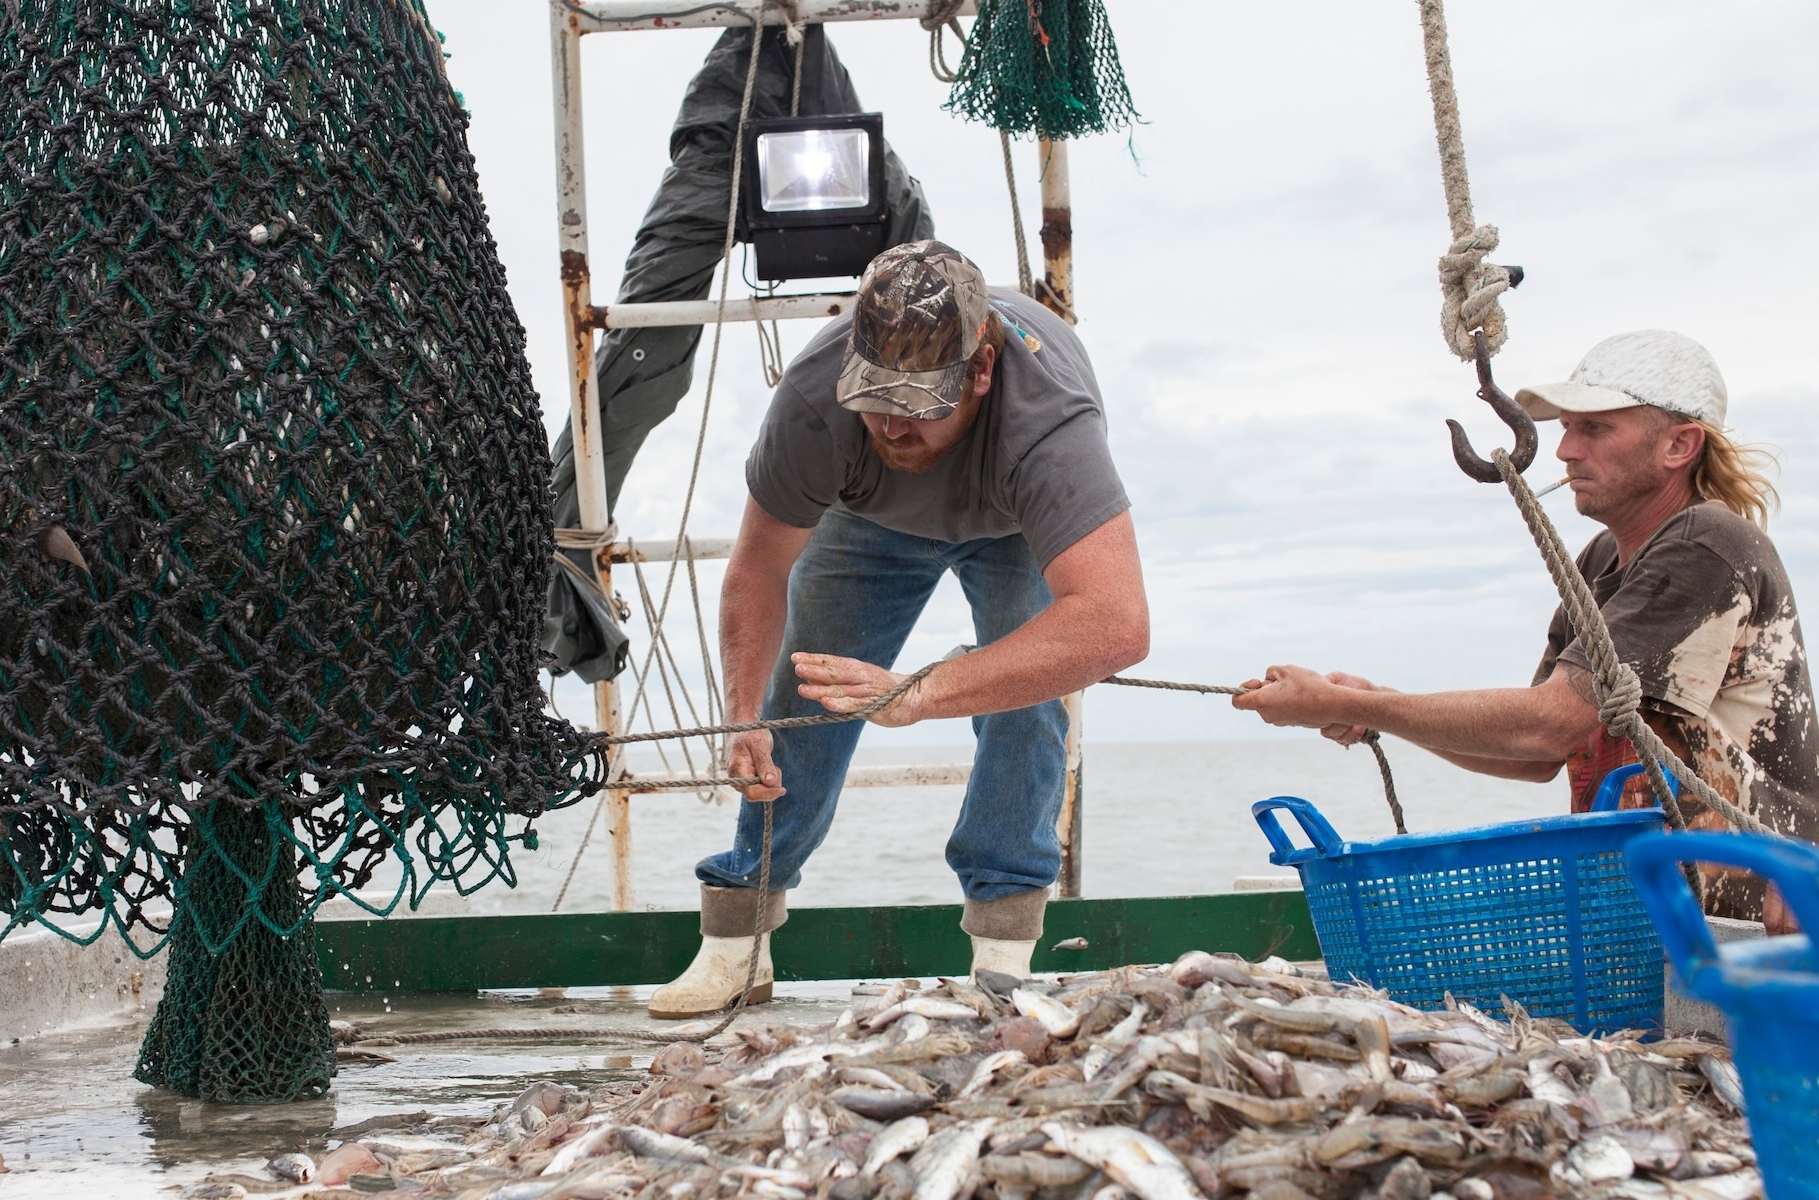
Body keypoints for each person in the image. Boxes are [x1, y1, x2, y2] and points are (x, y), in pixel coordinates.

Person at [647, 241, 1149, 1018]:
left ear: (980, 373)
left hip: (1011, 522)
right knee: (802, 693)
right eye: (873, 398)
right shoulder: (817, 403)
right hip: (865, 520)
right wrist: (741, 710)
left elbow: (1115, 623)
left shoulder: (1049, 427)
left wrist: (924, 692)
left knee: (1025, 696)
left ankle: (1002, 956)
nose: (890, 426)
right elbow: (756, 571)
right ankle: (736, 946)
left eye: (915, 406)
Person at [1234, 330, 1819, 930]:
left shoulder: (1705, 545)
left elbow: (1546, 727)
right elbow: (1536, 757)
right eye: (1565, 427)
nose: (1565, 451)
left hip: (1760, 919)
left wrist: (1338, 702)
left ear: (1679, 444)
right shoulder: (1598, 562)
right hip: (1661, 915)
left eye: (1594, 429)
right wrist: (1372, 705)